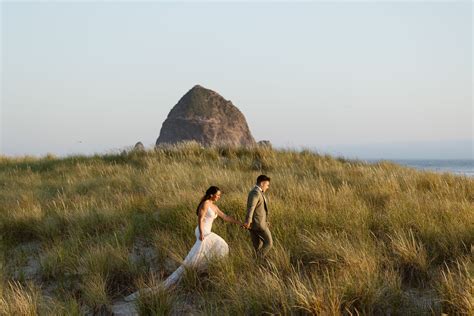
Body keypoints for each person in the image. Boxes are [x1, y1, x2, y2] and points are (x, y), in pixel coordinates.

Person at [125, 186, 242, 301]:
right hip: (203, 232)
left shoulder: (214, 206)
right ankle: (188, 273)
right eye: (218, 195)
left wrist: (240, 223)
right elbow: (200, 218)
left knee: (220, 247)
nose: (219, 197)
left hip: (207, 232)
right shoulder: (206, 203)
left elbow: (225, 217)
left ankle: (203, 270)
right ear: (212, 195)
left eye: (219, 195)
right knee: (214, 248)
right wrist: (201, 233)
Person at [243, 175, 273, 258]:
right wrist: (248, 221)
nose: (268, 187)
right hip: (258, 224)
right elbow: (251, 208)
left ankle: (255, 263)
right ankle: (258, 259)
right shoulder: (255, 192)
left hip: (257, 223)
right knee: (269, 243)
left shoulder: (257, 192)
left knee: (257, 246)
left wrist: (266, 221)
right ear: (262, 183)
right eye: (267, 185)